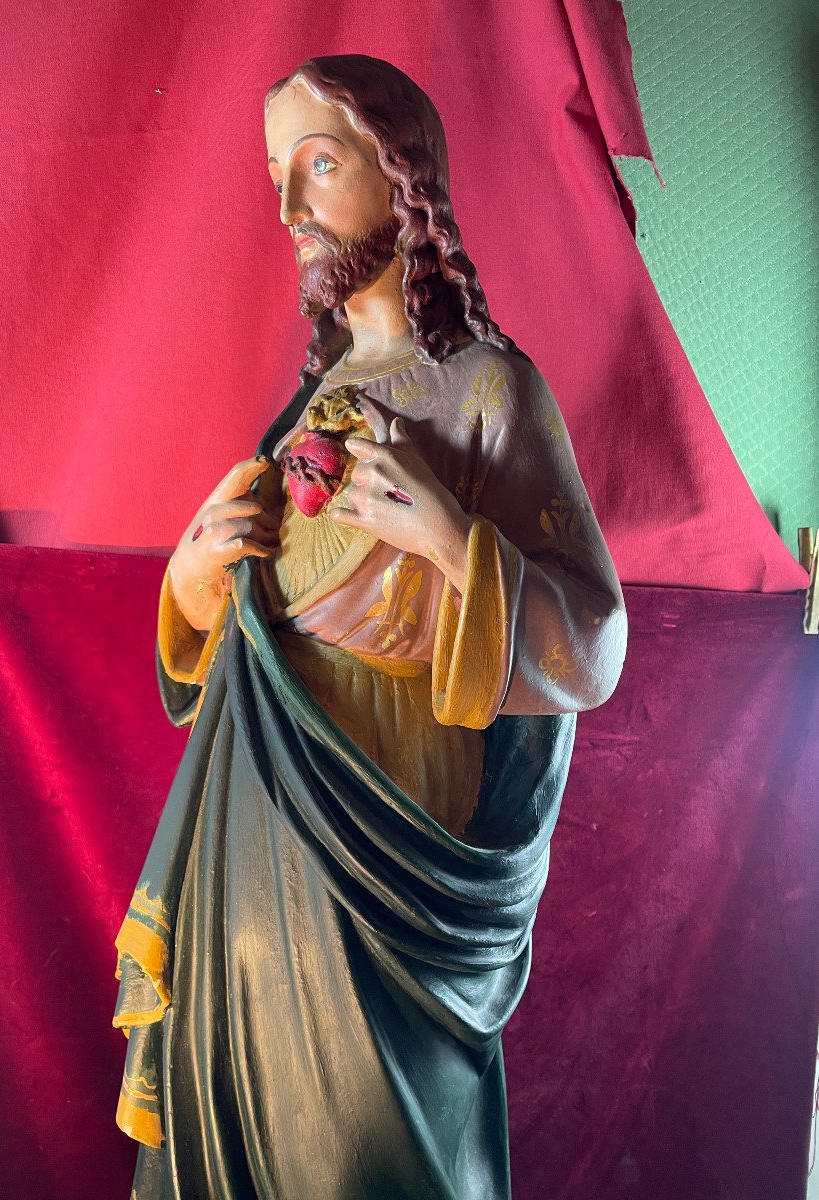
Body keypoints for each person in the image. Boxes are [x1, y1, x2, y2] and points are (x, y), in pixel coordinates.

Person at [113, 54, 627, 1200]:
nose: (291, 211)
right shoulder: (311, 402)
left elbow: (593, 642)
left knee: (368, 1161)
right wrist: (195, 583)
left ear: (405, 180)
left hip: (392, 870)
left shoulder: (490, 388)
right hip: (251, 853)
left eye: (322, 165)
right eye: (278, 176)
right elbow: (256, 625)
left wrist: (452, 538)